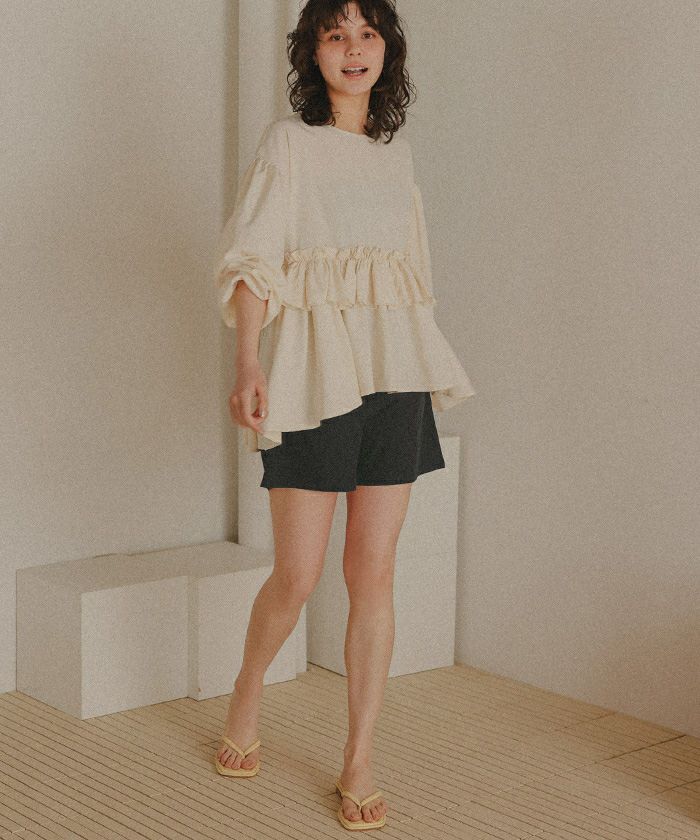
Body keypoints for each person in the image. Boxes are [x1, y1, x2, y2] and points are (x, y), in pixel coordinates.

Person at [212, 0, 475, 830]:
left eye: (367, 34)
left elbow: (410, 279)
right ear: (314, 53)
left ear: (386, 50)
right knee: (297, 575)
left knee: (374, 573)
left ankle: (359, 756)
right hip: (314, 377)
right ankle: (246, 692)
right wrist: (249, 359)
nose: (353, 49)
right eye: (335, 35)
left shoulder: (397, 157)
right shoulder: (288, 145)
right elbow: (255, 257)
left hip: (393, 378)